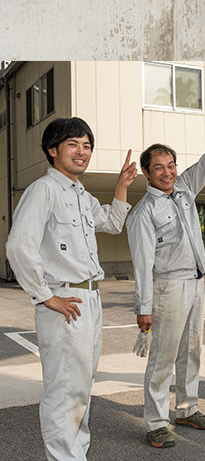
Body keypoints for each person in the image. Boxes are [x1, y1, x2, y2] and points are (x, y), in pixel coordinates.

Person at [6, 117, 136, 461]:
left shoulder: (80, 194)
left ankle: (75, 454)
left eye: (87, 145)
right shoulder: (43, 190)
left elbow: (112, 222)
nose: (82, 151)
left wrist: (122, 186)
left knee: (81, 386)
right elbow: (19, 246)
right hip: (65, 299)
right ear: (53, 150)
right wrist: (45, 296)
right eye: (73, 144)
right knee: (65, 389)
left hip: (89, 298)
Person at [126, 106, 205, 448]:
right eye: (159, 167)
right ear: (146, 173)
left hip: (196, 284)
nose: (167, 172)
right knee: (163, 357)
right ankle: (155, 422)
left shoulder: (184, 189)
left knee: (191, 351)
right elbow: (141, 264)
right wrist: (143, 307)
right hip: (167, 287)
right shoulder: (143, 213)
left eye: (171, 165)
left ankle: (186, 408)